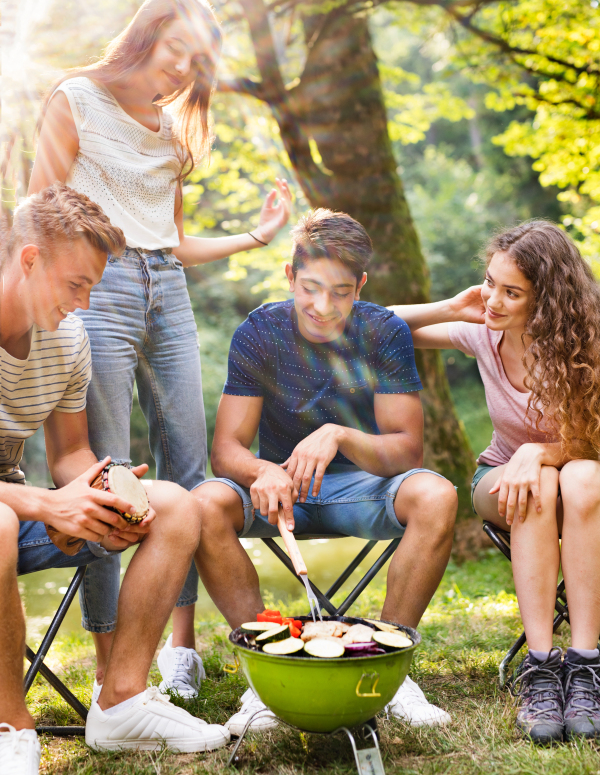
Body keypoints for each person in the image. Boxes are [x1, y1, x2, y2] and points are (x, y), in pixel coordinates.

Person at [28, 0, 292, 700]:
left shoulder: (173, 129)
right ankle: (116, 661)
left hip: (165, 286)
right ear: (147, 33)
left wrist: (256, 235)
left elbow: (170, 238)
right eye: (177, 47)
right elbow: (36, 210)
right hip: (100, 285)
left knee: (189, 462)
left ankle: (183, 648)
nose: (182, 67)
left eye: (196, 58)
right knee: (108, 470)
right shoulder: (76, 99)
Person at [192, 208, 458, 734]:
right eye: (310, 287)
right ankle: (263, 675)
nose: (323, 306)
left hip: (362, 487)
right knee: (204, 504)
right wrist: (262, 470)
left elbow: (407, 450)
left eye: (340, 291)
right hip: (278, 492)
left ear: (360, 285)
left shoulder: (382, 331)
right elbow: (226, 449)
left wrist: (340, 435)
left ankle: (390, 669)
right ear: (290, 277)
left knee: (437, 494)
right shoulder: (259, 331)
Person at [0, 186, 231, 775]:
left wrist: (106, 490)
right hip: (9, 512)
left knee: (176, 505)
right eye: (75, 285)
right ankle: (10, 724)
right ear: (30, 261)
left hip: (19, 500)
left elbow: (72, 452)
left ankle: (122, 701)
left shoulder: (68, 341)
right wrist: (47, 506)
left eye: (92, 288)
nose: (83, 303)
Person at [389, 219, 600, 744]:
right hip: (502, 479)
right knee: (535, 488)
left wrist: (543, 451)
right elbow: (374, 325)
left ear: (549, 299)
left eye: (512, 292)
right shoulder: (483, 332)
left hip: (586, 480)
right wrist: (450, 307)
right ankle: (541, 667)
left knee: (577, 480)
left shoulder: (591, 340)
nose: (494, 300)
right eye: (490, 282)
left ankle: (586, 666)